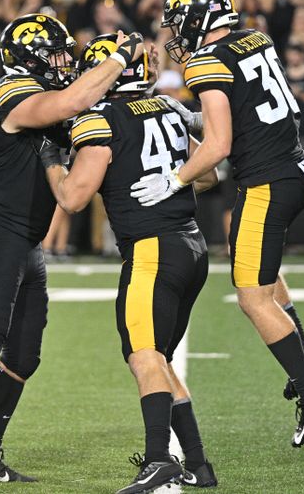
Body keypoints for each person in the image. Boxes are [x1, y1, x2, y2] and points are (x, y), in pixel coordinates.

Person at [131, 0, 304, 447]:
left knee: (251, 296)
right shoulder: (257, 38)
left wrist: (175, 178)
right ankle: (301, 348)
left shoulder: (207, 62)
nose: (176, 29)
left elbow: (219, 144)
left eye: (180, 19)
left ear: (199, 16)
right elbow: (248, 106)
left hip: (265, 180)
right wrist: (185, 116)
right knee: (257, 269)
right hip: (293, 168)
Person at [0, 13, 145, 486]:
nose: (64, 62)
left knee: (24, 354)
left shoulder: (50, 99)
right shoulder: (9, 93)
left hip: (26, 240)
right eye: (55, 54)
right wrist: (120, 56)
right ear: (28, 58)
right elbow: (77, 98)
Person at [39, 33, 218, 493]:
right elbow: (210, 173)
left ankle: (159, 459)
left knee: (142, 355)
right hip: (192, 245)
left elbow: (74, 198)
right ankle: (197, 464)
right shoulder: (168, 107)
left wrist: (52, 161)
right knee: (157, 358)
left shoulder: (103, 118)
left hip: (153, 250)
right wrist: (167, 181)